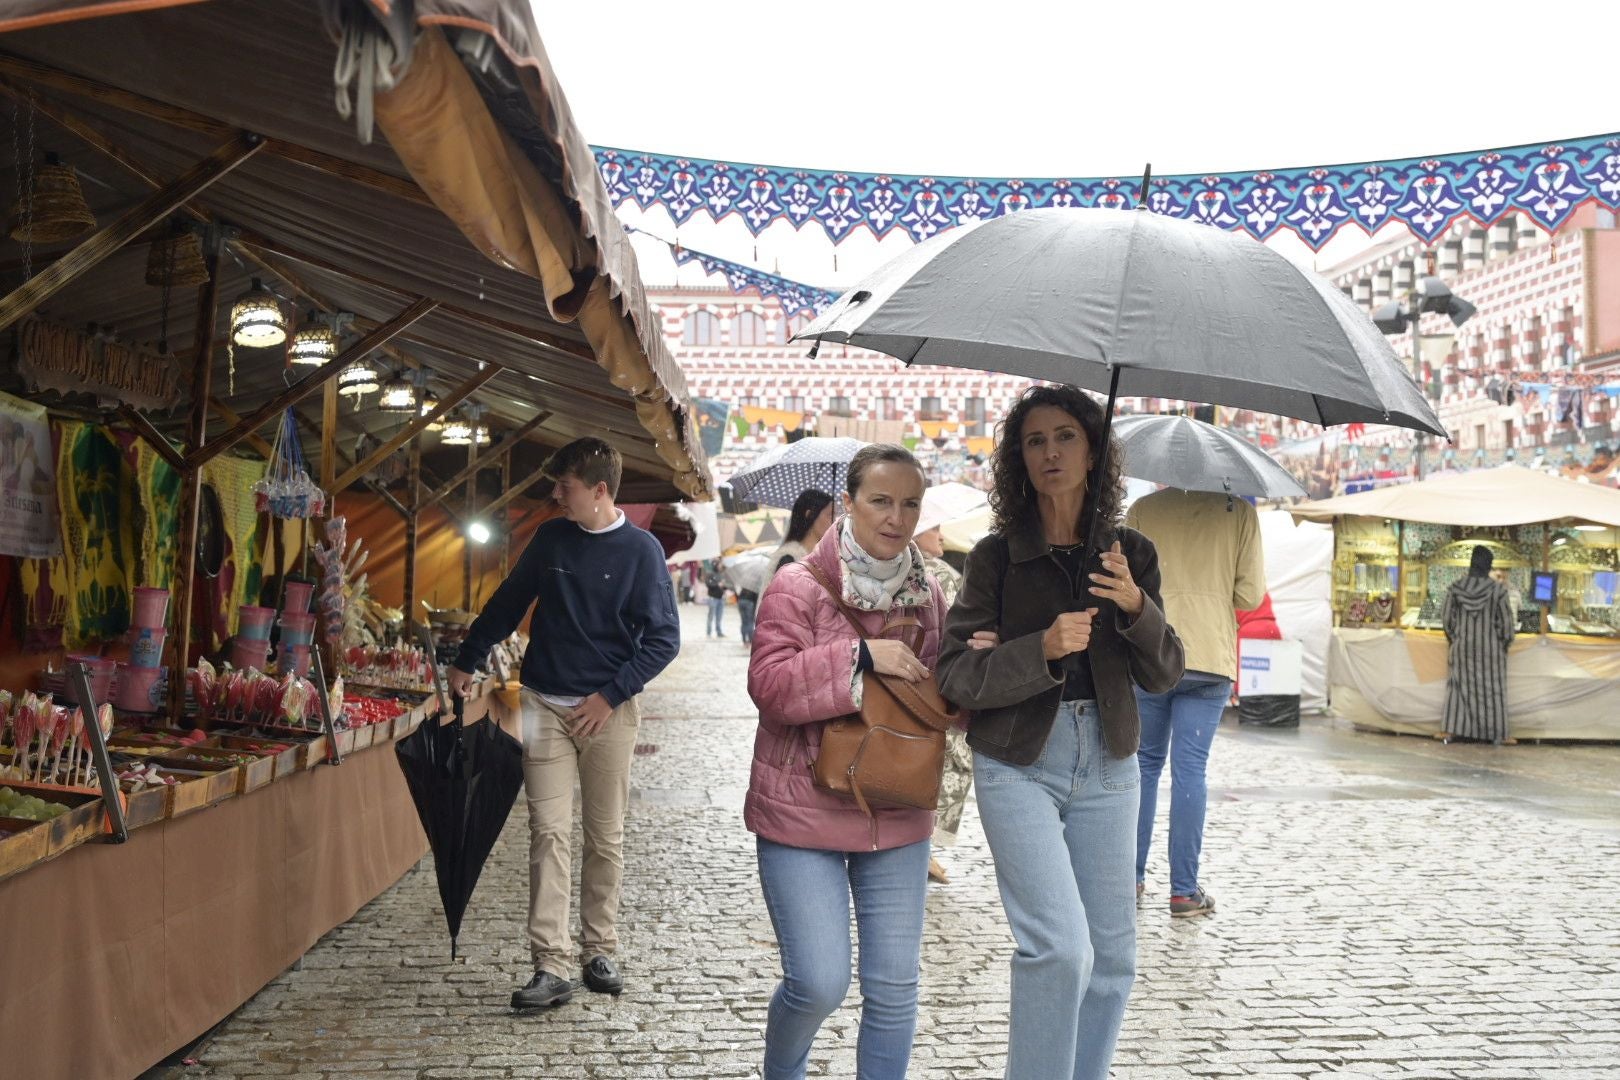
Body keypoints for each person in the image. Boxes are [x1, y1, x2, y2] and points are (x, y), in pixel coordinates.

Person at [935, 385, 1184, 1080]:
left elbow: (1165, 672)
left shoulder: (1130, 553)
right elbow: (956, 672)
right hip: (1019, 764)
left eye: (1066, 436)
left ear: (1094, 449)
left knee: (1113, 962)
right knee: (1059, 950)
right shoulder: (996, 558)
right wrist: (1039, 647)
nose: (1051, 452)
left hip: (1109, 764)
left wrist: (1135, 604)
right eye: (1035, 439)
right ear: (1019, 457)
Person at [447, 437, 680, 1010]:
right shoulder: (551, 538)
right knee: (547, 832)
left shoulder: (642, 552)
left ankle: (599, 948)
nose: (556, 495)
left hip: (609, 712)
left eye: (566, 487)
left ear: (599, 490)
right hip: (545, 705)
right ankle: (549, 964)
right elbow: (509, 600)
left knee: (605, 837)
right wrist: (467, 657)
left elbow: (664, 639)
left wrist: (609, 696)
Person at [745, 444, 943, 1080]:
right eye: (881, 500)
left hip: (897, 807)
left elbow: (946, 705)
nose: (896, 516)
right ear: (848, 503)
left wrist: (977, 665)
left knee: (893, 992)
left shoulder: (930, 594)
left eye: (910, 503)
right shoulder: (796, 585)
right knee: (819, 983)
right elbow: (769, 686)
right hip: (802, 813)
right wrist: (860, 656)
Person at [1125, 487, 1265, 918]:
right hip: (1208, 654)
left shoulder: (1144, 509)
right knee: (1191, 772)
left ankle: (1129, 878)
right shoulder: (1238, 513)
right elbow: (1250, 596)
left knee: (1144, 767)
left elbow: (1123, 584)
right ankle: (1184, 892)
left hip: (1153, 650)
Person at [912, 503, 969, 885]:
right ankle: (922, 846)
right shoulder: (943, 576)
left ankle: (917, 847)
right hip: (939, 686)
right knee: (951, 762)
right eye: (935, 528)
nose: (942, 537)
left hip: (899, 685)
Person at [1442, 546, 1516, 745]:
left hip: (1462, 649)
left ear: (1471, 563)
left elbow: (1447, 621)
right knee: (1492, 692)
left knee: (1459, 690)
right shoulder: (1498, 590)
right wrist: (1502, 644)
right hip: (1491, 652)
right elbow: (1507, 625)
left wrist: (1456, 639)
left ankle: (1456, 730)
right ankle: (1494, 733)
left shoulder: (1455, 588)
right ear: (1489, 566)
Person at [760, 488, 835, 597]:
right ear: (810, 515)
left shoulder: (821, 557)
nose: (834, 521)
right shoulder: (789, 557)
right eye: (829, 515)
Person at [704, 563, 729, 638]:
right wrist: (717, 584)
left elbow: (724, 586)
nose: (720, 566)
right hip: (713, 598)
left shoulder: (721, 574)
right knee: (711, 616)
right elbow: (708, 583)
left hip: (721, 598)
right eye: (719, 565)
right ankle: (708, 632)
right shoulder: (710, 573)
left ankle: (719, 632)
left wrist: (725, 586)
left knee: (719, 616)